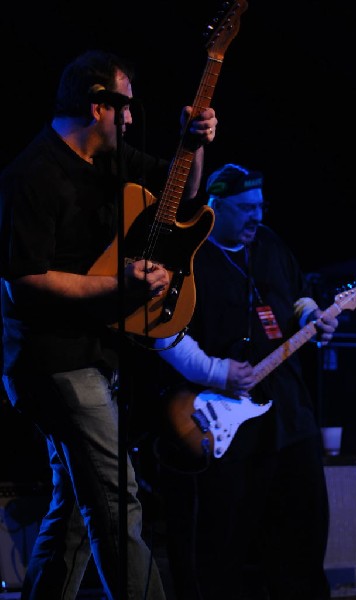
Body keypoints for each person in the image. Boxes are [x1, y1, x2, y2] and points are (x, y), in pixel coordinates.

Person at [0, 49, 217, 600]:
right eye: (122, 106)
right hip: (51, 362)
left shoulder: (110, 160)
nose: (129, 117)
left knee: (76, 507)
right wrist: (117, 288)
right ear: (97, 105)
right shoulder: (32, 174)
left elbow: (181, 196)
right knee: (118, 499)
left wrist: (192, 146)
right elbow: (23, 280)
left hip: (93, 353)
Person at [153, 163, 339, 600]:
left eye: (261, 206)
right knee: (226, 544)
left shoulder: (269, 243)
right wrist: (216, 371)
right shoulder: (189, 256)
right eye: (245, 209)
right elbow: (160, 332)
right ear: (215, 208)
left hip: (289, 415)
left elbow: (297, 295)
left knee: (302, 534)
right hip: (225, 424)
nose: (257, 217)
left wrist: (312, 315)